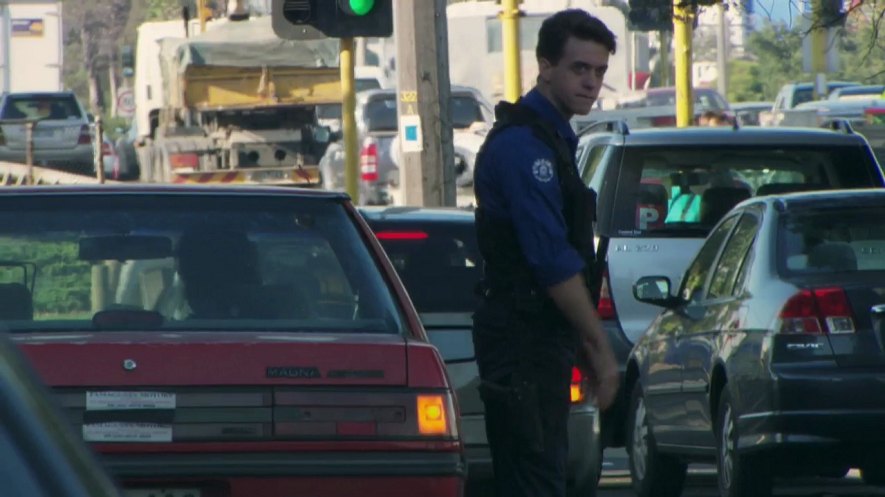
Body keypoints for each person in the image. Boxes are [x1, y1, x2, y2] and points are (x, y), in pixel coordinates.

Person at [472, 9, 620, 497]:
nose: (591, 82)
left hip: (537, 337)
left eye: (599, 72)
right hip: (522, 337)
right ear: (545, 66)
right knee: (536, 479)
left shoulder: (553, 138)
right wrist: (599, 347)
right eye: (580, 69)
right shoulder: (524, 146)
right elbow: (550, 259)